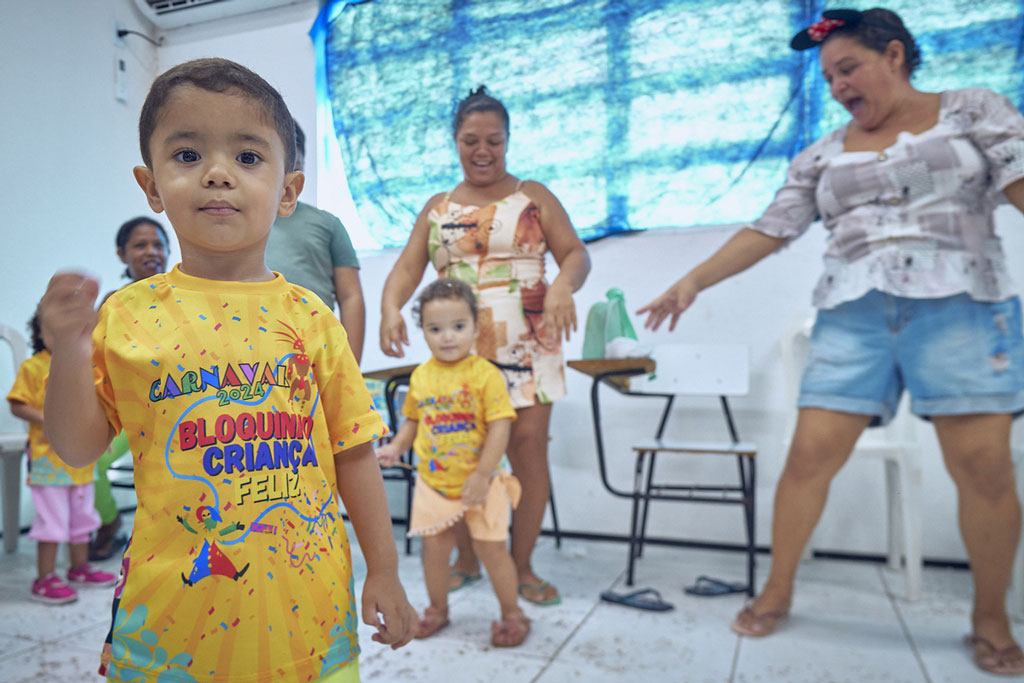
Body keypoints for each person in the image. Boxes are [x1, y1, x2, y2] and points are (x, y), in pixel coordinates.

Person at [638, 8, 1024, 676]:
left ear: (895, 55)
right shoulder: (821, 153)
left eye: (849, 68)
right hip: (852, 313)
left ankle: (989, 615)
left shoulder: (970, 110)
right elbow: (773, 227)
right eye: (829, 77)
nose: (839, 85)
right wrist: (692, 280)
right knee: (809, 455)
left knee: (984, 465)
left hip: (961, 305)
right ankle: (778, 587)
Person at [37, 58, 416, 682]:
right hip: (173, 622)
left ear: (288, 190)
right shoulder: (127, 315)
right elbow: (77, 450)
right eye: (187, 155)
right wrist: (69, 352)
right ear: (151, 185)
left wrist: (383, 568)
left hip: (309, 612)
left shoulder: (312, 317)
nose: (217, 174)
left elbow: (352, 451)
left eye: (247, 157)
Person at [379, 86, 591, 606]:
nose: (482, 150)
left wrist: (563, 284)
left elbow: (576, 255)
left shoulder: (533, 195)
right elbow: (408, 268)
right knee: (458, 452)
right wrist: (389, 307)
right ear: (455, 141)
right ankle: (468, 559)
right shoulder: (438, 207)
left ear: (507, 141)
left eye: (494, 140)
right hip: (458, 353)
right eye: (471, 140)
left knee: (526, 455)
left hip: (527, 344)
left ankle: (520, 566)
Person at [376, 278, 530, 646]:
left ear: (476, 328)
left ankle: (513, 613)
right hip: (434, 482)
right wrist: (397, 447)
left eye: (458, 327)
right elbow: (412, 419)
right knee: (435, 548)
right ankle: (437, 609)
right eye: (435, 329)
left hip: (484, 482)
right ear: (423, 332)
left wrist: (480, 474)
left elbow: (500, 429)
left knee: (491, 548)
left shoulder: (485, 375)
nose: (448, 337)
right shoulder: (421, 376)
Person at [7, 312, 117, 604]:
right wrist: (49, 418)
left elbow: (98, 407)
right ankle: (44, 579)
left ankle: (79, 568)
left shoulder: (85, 368)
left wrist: (102, 437)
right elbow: (18, 405)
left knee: (83, 518)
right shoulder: (34, 367)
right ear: (41, 333)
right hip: (48, 463)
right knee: (53, 521)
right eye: (57, 331)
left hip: (81, 463)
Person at [89, 216, 171, 561]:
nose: (151, 252)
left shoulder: (183, 296)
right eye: (140, 245)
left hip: (175, 409)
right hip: (127, 413)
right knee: (89, 461)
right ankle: (109, 524)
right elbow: (94, 365)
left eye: (158, 245)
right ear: (122, 255)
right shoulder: (112, 303)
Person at [266, 120, 366, 362]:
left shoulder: (327, 223)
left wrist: (351, 365)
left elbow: (351, 297)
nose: (286, 177)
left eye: (295, 167)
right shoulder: (238, 223)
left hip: (316, 346)